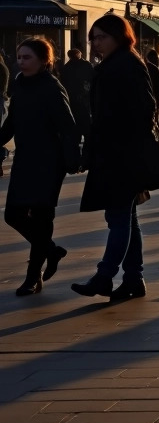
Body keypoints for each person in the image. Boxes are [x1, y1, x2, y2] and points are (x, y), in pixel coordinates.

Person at [71, 14, 158, 302]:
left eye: (102, 37)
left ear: (119, 37)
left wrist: (123, 141)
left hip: (122, 155)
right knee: (125, 217)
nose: (96, 43)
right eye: (93, 38)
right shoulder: (114, 64)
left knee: (119, 217)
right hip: (114, 153)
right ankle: (134, 278)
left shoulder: (127, 65)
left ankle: (104, 276)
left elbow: (147, 107)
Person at [1, 38, 79, 296]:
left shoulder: (52, 88)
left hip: (49, 162)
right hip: (25, 159)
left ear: (44, 60)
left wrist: (71, 160)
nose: (20, 62)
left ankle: (32, 278)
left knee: (43, 218)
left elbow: (68, 127)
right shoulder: (19, 85)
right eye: (19, 57)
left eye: (27, 57)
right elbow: (11, 123)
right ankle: (51, 250)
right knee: (13, 214)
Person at [59, 47, 94, 146]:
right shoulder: (86, 65)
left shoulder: (67, 68)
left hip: (76, 99)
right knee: (85, 125)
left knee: (79, 124)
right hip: (81, 99)